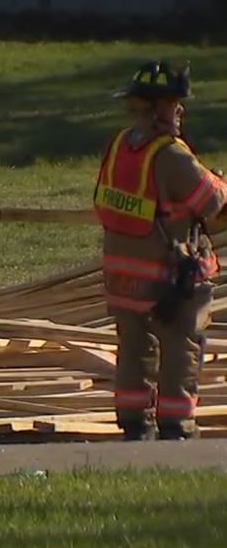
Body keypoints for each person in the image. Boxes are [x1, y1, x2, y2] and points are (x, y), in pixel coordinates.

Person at [93, 60, 227, 441]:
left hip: (122, 275)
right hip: (169, 278)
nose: (179, 112)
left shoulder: (119, 146)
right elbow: (213, 203)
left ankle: (134, 423)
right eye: (173, 105)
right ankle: (177, 426)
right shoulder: (171, 155)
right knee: (181, 345)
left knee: (133, 348)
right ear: (156, 111)